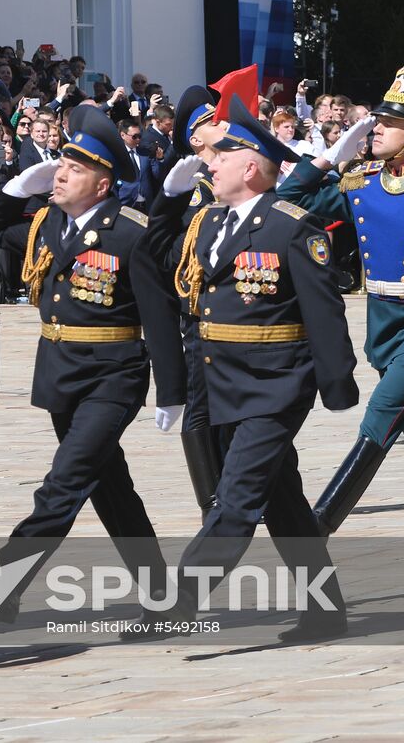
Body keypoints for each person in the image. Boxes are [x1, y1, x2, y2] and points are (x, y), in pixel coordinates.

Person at [129, 98, 358, 643]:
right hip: (222, 381)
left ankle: (178, 601)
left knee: (235, 501)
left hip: (275, 384)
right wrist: (169, 194)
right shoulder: (208, 220)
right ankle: (325, 610)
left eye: (220, 155)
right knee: (282, 500)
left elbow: (324, 312)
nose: (208, 162)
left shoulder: (290, 228)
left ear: (250, 165)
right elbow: (152, 251)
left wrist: (336, 384)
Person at [278, 66, 404, 592]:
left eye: (390, 122)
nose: (376, 129)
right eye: (377, 121)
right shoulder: (361, 182)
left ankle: (314, 531)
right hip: (385, 327)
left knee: (380, 418)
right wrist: (328, 158)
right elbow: (291, 205)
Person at [0, 105, 187, 620]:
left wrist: (172, 387)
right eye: (60, 166)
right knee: (109, 485)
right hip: (59, 371)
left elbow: (159, 315)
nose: (59, 174)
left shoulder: (130, 232)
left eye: (73, 169)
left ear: (102, 183)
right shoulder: (48, 223)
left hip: (112, 374)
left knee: (64, 481)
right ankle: (161, 594)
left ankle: (2, 583)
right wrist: (11, 190)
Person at [166, 85, 229, 519]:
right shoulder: (193, 185)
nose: (222, 124)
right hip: (199, 308)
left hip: (230, 309)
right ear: (194, 139)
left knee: (228, 398)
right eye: (213, 121)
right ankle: (210, 497)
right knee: (201, 400)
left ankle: (231, 485)